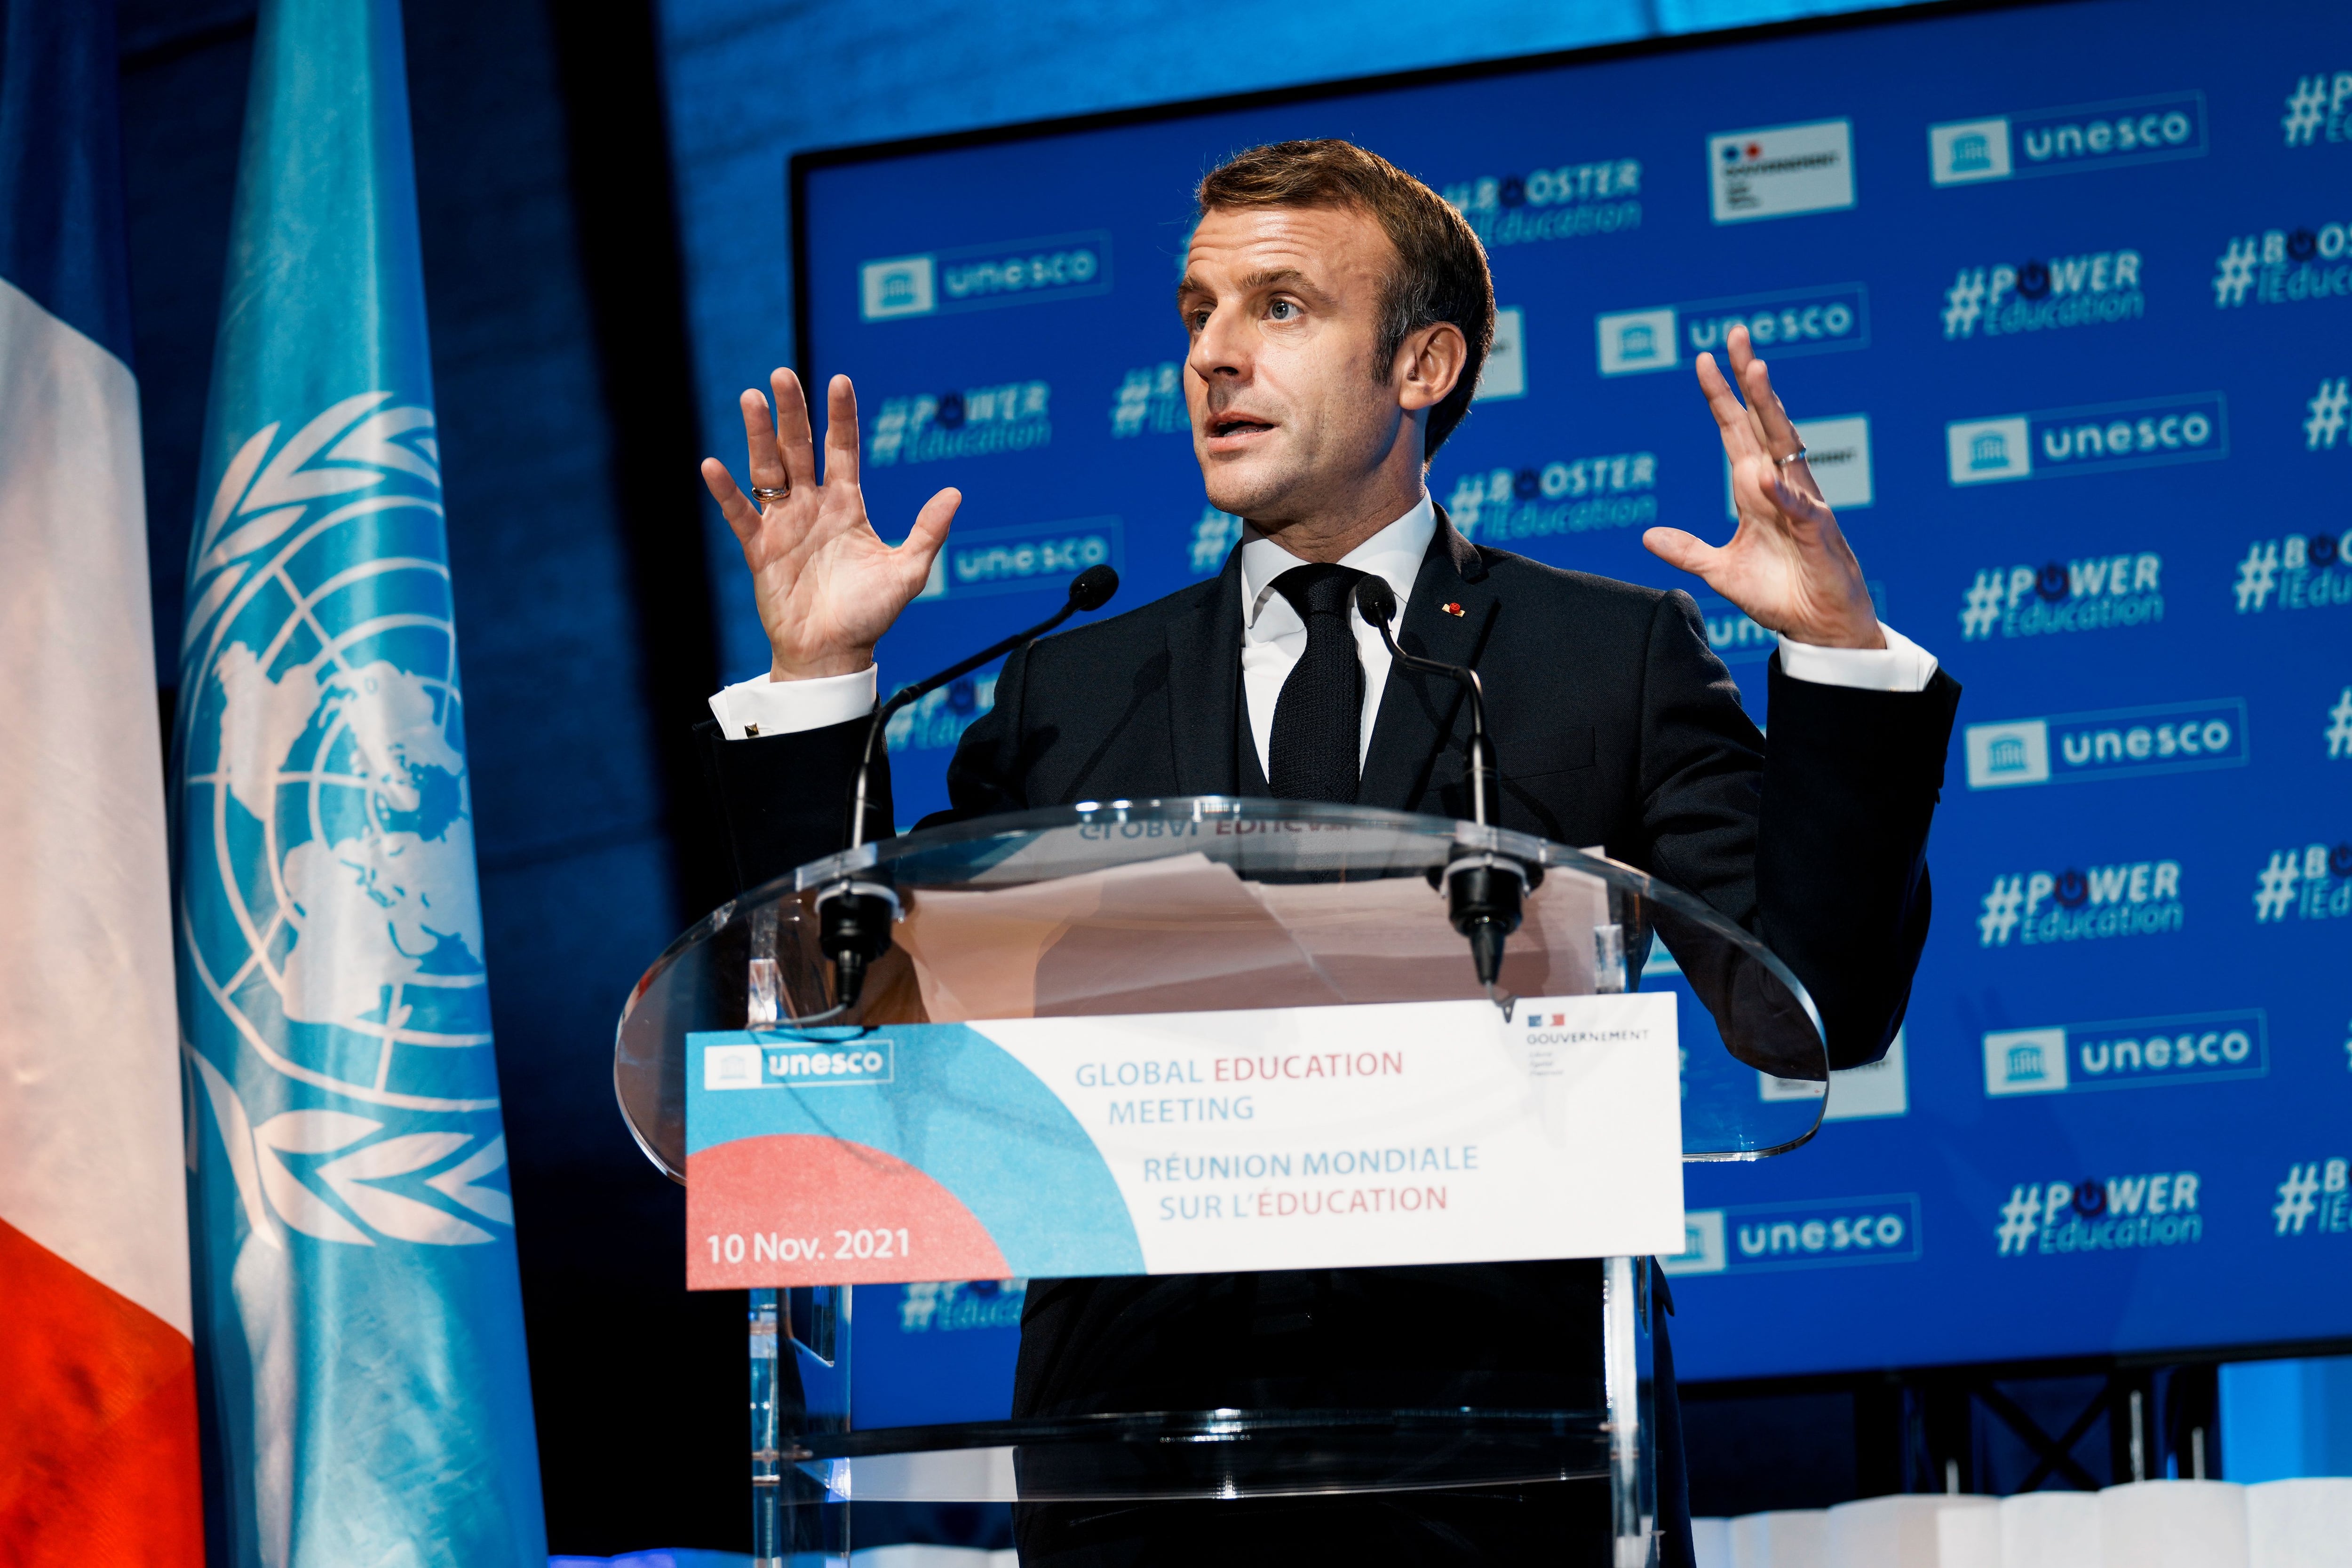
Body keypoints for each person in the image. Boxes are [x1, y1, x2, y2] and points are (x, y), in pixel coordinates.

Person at [695, 140, 1959, 1565]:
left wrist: (1839, 659)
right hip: (1134, 1463)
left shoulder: (1598, 662)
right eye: (1197, 314)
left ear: (1421, 367)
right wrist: (817, 677)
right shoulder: (1073, 689)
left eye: (1280, 307)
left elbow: (1818, 1005)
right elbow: (848, 1031)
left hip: (1502, 1461)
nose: (1215, 357)